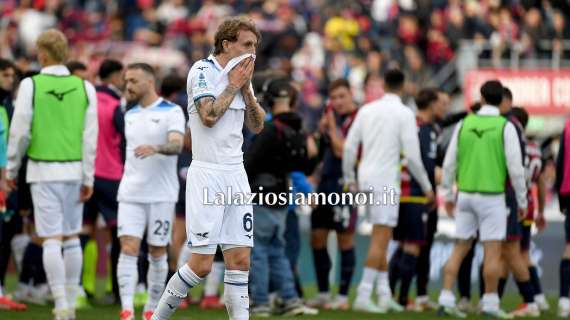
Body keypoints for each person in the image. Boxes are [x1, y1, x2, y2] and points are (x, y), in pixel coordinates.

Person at [151, 16, 266, 320]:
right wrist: (232, 86)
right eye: (247, 44)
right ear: (227, 44)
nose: (253, 52)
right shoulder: (202, 71)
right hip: (208, 174)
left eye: (255, 45)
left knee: (240, 261)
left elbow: (256, 125)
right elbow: (209, 116)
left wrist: (245, 91)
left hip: (236, 174)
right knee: (201, 264)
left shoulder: (242, 76)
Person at [7, 29, 98, 320]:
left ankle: (60, 305)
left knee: (51, 239)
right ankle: (70, 303)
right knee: (72, 237)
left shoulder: (31, 85)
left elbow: (19, 131)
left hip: (42, 170)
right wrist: (88, 177)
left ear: (42, 53)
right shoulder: (86, 88)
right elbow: (90, 138)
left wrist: (11, 167)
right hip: (74, 171)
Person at [343, 69, 434, 314]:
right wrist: (427, 187)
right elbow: (414, 157)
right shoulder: (405, 114)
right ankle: (363, 294)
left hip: (365, 178)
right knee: (380, 239)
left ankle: (383, 294)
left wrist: (351, 179)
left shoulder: (366, 110)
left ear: (383, 84)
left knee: (379, 236)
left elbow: (350, 147)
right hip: (385, 180)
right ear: (403, 86)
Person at [437, 80, 527, 319]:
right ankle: (489, 303)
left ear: (482, 98)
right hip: (492, 198)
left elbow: (448, 164)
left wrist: (447, 194)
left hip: (465, 194)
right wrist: (522, 201)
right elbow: (516, 169)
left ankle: (445, 299)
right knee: (492, 252)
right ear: (503, 100)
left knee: (459, 249)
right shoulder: (505, 126)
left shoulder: (464, 123)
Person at [115, 63, 185, 320]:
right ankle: (127, 310)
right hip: (130, 192)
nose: (128, 86)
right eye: (126, 81)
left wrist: (156, 148)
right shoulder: (128, 112)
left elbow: (177, 146)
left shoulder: (172, 111)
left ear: (149, 82)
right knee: (128, 248)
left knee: (157, 251)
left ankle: (150, 309)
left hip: (161, 195)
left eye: (133, 80)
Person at [246, 77, 317, 316]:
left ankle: (261, 301)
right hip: (283, 197)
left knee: (259, 251)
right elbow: (305, 167)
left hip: (262, 195)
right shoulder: (297, 130)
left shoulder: (268, 129)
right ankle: (289, 298)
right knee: (278, 250)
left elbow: (249, 163)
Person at [308, 78, 358, 310]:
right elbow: (320, 153)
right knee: (317, 237)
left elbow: (342, 151)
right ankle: (323, 292)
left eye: (342, 96)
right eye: (334, 97)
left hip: (345, 185)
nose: (337, 102)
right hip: (325, 183)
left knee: (344, 238)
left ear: (350, 95)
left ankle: (342, 296)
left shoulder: (358, 119)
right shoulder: (331, 119)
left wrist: (331, 128)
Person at [80, 59, 125, 304]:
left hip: (85, 174)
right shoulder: (117, 104)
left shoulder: (86, 100)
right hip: (110, 175)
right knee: (118, 233)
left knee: (82, 232)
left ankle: (79, 291)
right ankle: (117, 292)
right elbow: (126, 140)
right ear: (115, 76)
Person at [389, 88, 439, 309]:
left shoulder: (411, 126)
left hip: (402, 192)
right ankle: (400, 299)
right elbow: (425, 164)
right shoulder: (425, 130)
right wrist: (431, 188)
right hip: (416, 195)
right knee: (412, 247)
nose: (444, 106)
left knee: (403, 245)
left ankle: (390, 294)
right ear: (431, 104)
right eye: (441, 102)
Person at [510, 107, 549, 312]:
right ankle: (538, 296)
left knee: (509, 254)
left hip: (514, 205)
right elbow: (541, 181)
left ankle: (490, 301)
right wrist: (541, 211)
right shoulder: (535, 146)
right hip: (530, 205)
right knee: (524, 254)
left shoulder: (513, 143)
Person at [556, 115, 570, 318]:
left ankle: (564, 301)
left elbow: (560, 162)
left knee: (569, 248)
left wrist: (561, 199)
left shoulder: (568, 125)